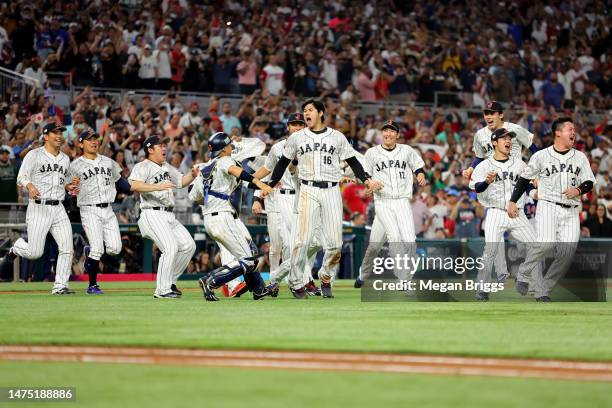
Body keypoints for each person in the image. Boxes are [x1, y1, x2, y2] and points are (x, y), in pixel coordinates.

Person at [267, 99, 381, 298]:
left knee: (335, 244)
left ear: (321, 113)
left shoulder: (337, 137)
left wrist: (366, 180)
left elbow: (353, 162)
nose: (306, 114)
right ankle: (295, 283)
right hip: (307, 190)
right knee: (302, 242)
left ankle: (326, 277)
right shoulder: (297, 138)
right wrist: (267, 186)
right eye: (304, 111)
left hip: (331, 191)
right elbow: (283, 163)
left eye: (310, 110)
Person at [507, 117, 596, 301]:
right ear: (557, 133)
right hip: (548, 205)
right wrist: (512, 201)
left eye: (574, 129)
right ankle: (524, 272)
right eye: (570, 129)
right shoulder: (541, 156)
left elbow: (589, 182)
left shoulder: (580, 157)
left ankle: (542, 290)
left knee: (567, 253)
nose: (574, 132)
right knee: (546, 243)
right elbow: (524, 180)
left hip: (571, 210)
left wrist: (578, 190)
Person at [3, 121, 79, 294]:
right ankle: (17, 247)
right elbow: (21, 177)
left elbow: (64, 182)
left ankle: (60, 286)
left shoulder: (65, 159)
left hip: (58, 207)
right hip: (39, 207)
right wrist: (30, 186)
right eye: (55, 133)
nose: (59, 136)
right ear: (46, 136)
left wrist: (69, 187)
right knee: (35, 252)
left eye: (61, 132)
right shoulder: (34, 155)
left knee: (67, 247)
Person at [195, 132, 273, 301]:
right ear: (222, 149)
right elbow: (236, 171)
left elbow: (196, 197)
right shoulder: (225, 160)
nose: (232, 147)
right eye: (229, 145)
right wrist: (259, 183)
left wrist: (214, 195)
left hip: (212, 218)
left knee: (250, 252)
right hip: (223, 217)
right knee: (248, 260)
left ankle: (258, 289)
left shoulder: (204, 168)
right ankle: (210, 280)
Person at [251, 113, 321, 297]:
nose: (297, 128)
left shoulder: (311, 147)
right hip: (282, 198)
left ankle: (275, 280)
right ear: (288, 127)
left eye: (300, 125)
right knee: (290, 244)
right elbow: (266, 171)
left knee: (313, 241)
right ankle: (303, 281)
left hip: (305, 195)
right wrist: (252, 184)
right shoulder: (277, 148)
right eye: (294, 125)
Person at [468, 128, 541, 301]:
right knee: (490, 251)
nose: (508, 141)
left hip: (517, 213)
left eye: (509, 138)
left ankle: (537, 288)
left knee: (536, 247)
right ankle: (482, 290)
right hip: (495, 212)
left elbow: (528, 185)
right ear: (494, 143)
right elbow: (475, 187)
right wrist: (486, 181)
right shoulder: (484, 165)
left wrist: (534, 194)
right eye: (504, 138)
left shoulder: (519, 164)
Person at [129, 136, 198, 299]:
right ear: (150, 149)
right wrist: (157, 186)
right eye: (160, 145)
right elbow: (134, 185)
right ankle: (162, 289)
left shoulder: (166, 166)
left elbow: (181, 181)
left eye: (164, 144)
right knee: (170, 248)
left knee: (189, 246)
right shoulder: (143, 165)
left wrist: (193, 174)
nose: (164, 147)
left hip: (168, 214)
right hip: (151, 212)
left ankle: (170, 282)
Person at [359, 120, 426, 282]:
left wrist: (420, 174)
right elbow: (364, 174)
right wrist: (369, 183)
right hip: (383, 202)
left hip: (402, 201)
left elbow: (418, 165)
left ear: (397, 134)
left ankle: (405, 278)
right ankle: (364, 274)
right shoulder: (372, 153)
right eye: (385, 131)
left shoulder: (406, 150)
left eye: (391, 131)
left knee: (409, 239)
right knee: (388, 240)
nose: (388, 134)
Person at [68, 128, 132, 294]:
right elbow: (68, 187)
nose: (94, 141)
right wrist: (71, 188)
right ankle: (92, 285)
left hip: (108, 210)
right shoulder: (75, 165)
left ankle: (89, 254)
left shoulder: (108, 162)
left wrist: (138, 188)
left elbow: (121, 183)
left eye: (95, 138)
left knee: (115, 249)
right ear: (81, 144)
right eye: (89, 139)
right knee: (98, 248)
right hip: (89, 209)